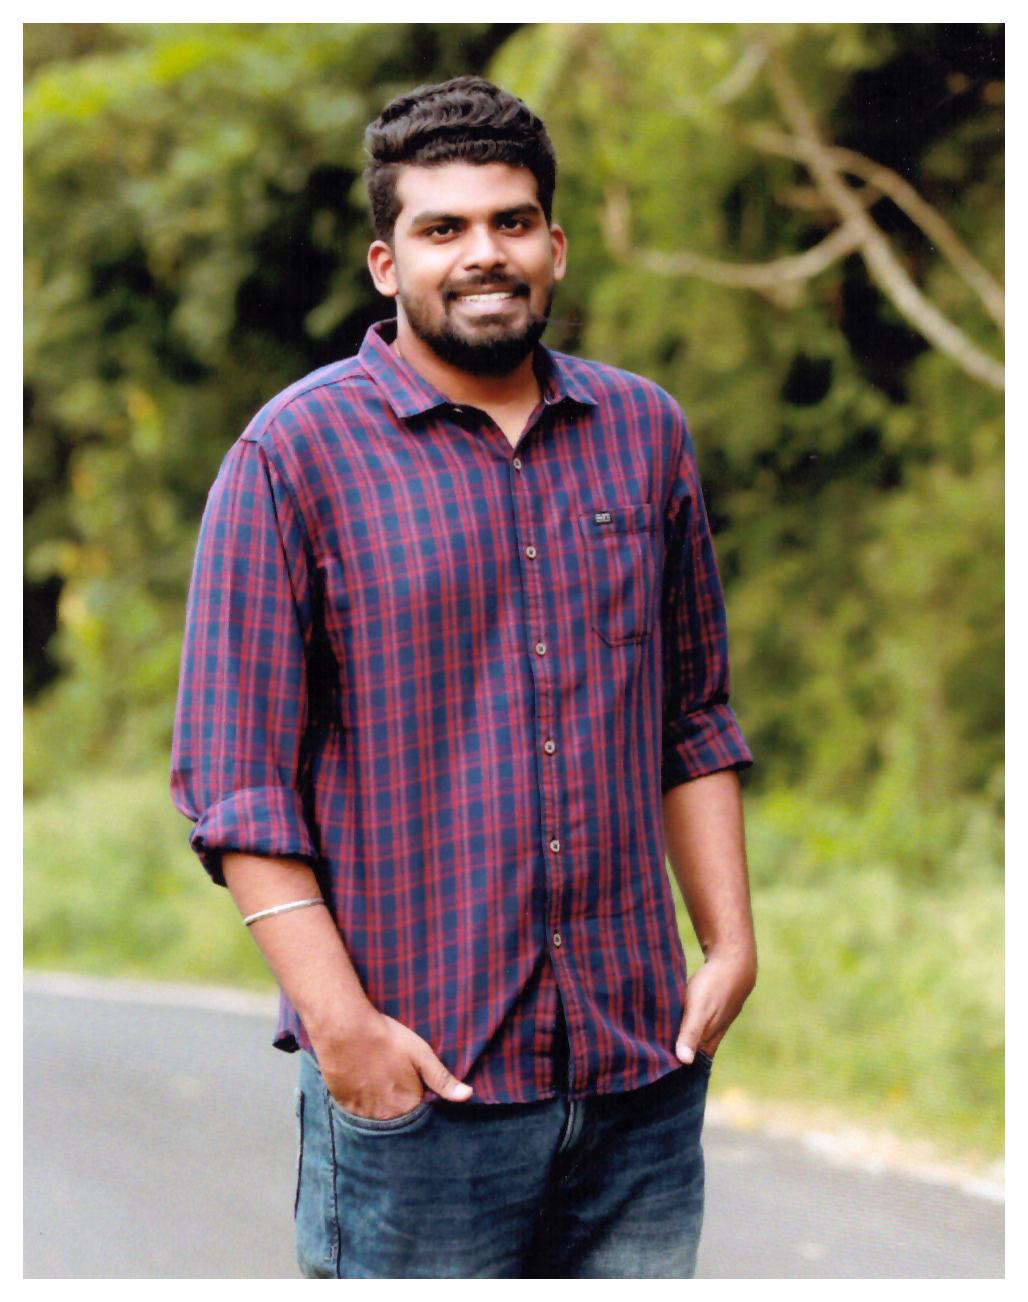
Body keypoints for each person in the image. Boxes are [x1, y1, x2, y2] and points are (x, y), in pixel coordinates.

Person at [170, 74, 757, 1280]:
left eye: (510, 221)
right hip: (423, 1089)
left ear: (554, 246)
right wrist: (344, 1034)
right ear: (387, 265)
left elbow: (691, 717)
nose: (483, 253)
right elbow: (236, 787)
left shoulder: (643, 431)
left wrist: (729, 944)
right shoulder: (291, 456)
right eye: (443, 228)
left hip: (638, 1076)